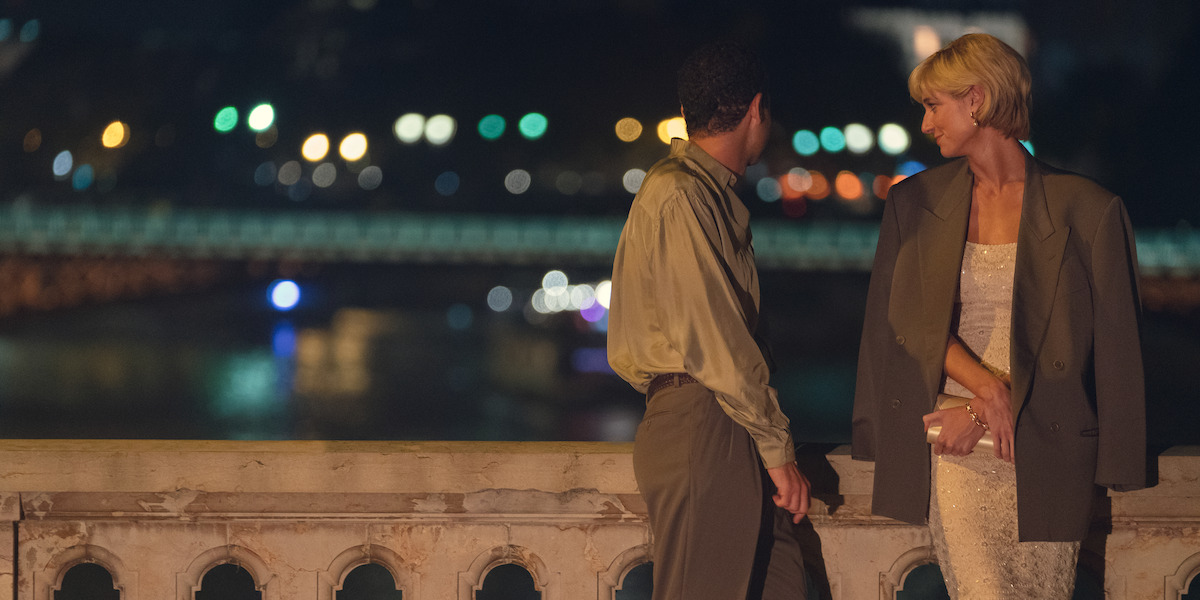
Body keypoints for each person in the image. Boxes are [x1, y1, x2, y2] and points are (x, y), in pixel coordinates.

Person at [851, 32, 1146, 598]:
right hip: (957, 444)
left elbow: (1108, 345)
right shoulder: (913, 202)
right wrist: (985, 391)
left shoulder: (1089, 209)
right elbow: (907, 322)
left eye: (933, 106)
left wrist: (994, 409)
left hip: (1048, 447)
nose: (926, 124)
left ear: (977, 100)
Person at [608, 40, 810, 600]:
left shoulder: (700, 194)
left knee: (784, 585)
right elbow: (715, 339)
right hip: (704, 420)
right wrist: (776, 447)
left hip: (717, 418)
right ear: (755, 109)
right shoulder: (682, 197)